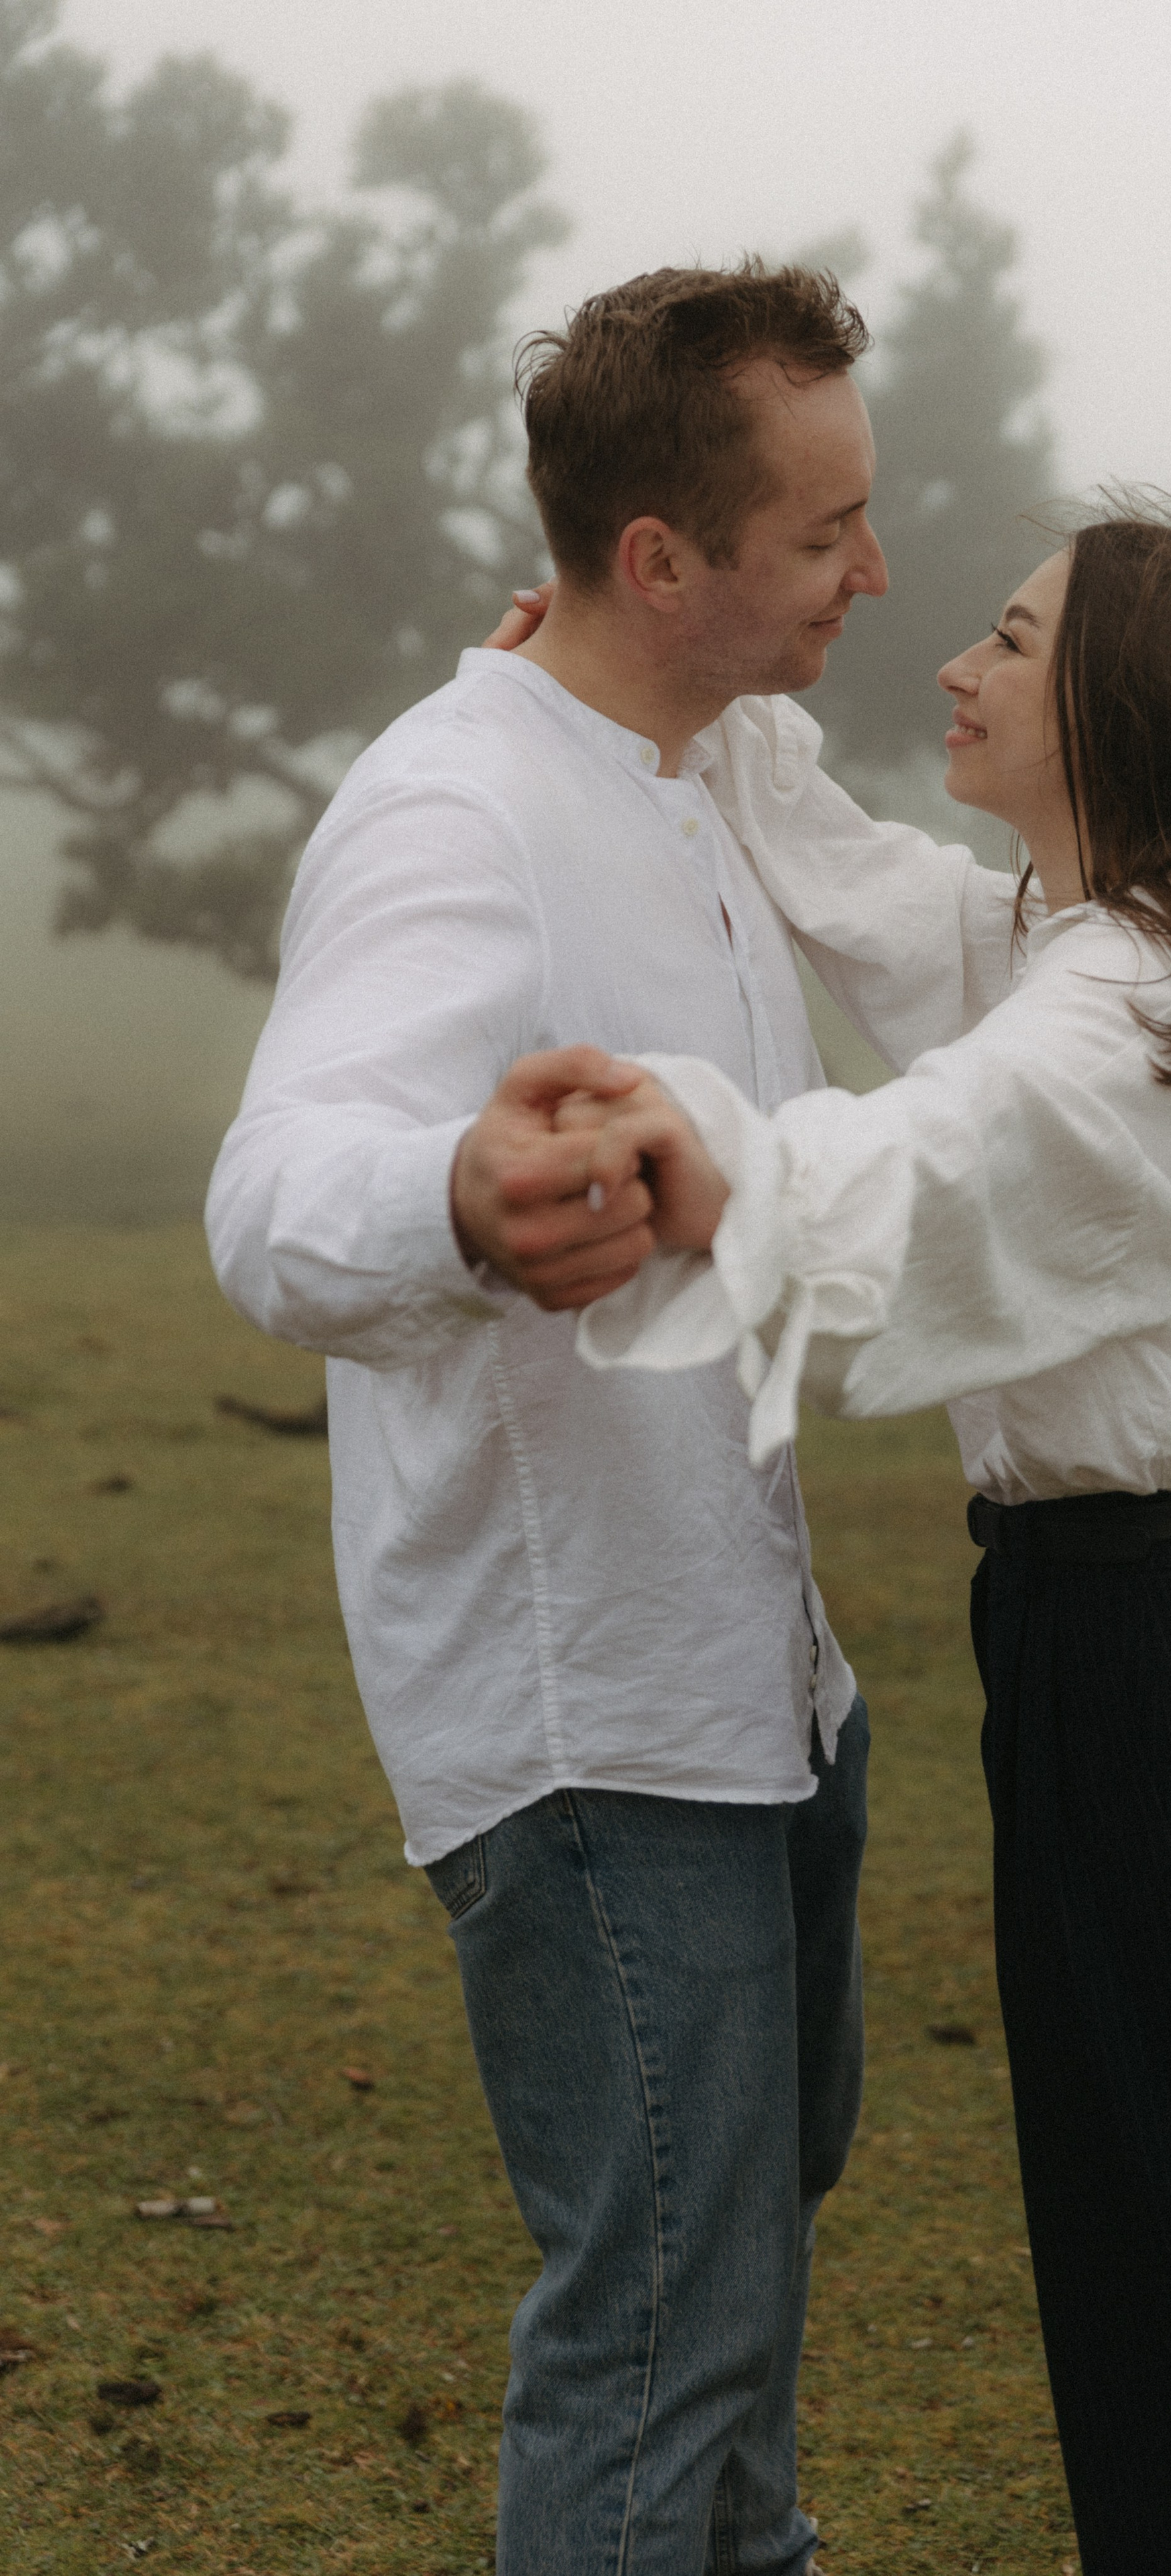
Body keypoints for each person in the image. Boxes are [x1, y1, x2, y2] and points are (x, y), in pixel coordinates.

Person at [531, 511, 1171, 2576]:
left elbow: (922, 1158)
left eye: (1014, 637)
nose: (958, 660)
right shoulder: (1103, 937)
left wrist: (689, 1161)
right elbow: (882, 905)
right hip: (1125, 1659)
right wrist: (682, 663)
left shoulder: (1142, 1007)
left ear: (1122, 700)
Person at [205, 259, 1031, 2576]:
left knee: (738, 2274)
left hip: (757, 1673)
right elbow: (274, 1196)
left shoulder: (689, 760)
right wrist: (459, 1199)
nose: (879, 574)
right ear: (658, 559)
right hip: (588, 1724)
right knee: (660, 2334)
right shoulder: (456, 811)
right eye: (824, 536)